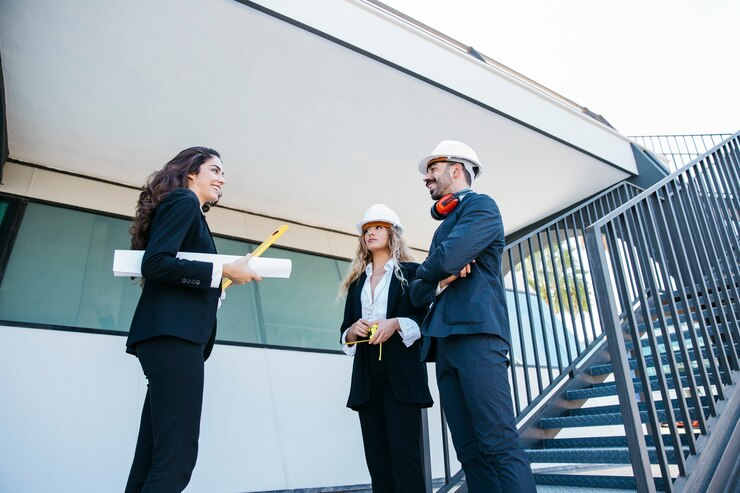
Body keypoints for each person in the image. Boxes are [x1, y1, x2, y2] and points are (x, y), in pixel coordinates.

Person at [125, 146, 262, 493]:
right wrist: (221, 271)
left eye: (222, 173)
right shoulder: (184, 201)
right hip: (174, 338)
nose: (222, 178)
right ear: (191, 173)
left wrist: (217, 284)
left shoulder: (186, 208)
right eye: (214, 170)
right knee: (176, 459)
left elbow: (176, 270)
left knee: (153, 456)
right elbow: (155, 264)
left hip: (167, 338)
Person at [410, 140, 536, 493]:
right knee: (469, 452)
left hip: (478, 338)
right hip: (444, 345)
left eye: (432, 169)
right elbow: (417, 293)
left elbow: (445, 261)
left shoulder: (482, 207)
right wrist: (438, 276)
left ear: (456, 168)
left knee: (498, 444)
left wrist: (434, 269)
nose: (426, 177)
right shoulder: (442, 229)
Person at [340, 204, 433, 493]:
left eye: (378, 227)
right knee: (377, 461)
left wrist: (396, 323)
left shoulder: (413, 272)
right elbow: (344, 330)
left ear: (392, 233)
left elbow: (427, 319)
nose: (371, 233)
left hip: (402, 374)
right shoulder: (357, 282)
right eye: (367, 229)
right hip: (367, 376)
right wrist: (351, 332)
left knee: (405, 458)